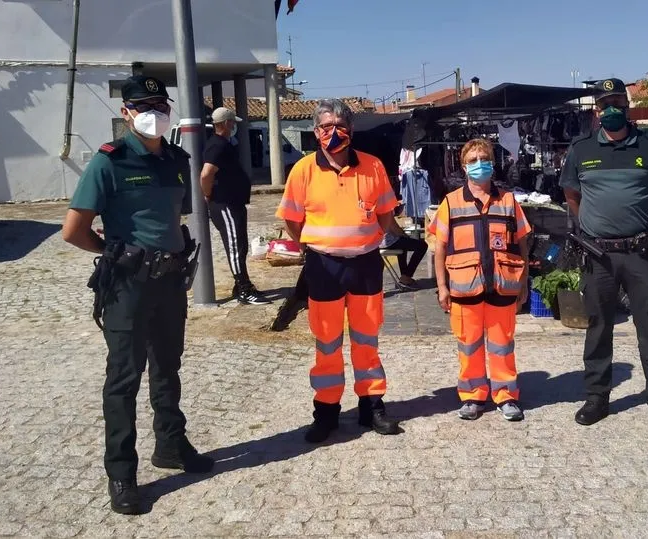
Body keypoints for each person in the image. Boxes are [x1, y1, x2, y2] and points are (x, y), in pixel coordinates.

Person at [61, 75, 214, 515]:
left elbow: (171, 218)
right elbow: (72, 231)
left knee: (168, 366)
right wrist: (113, 253)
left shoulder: (175, 159)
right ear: (126, 113)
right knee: (124, 379)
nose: (154, 112)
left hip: (169, 283)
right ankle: (122, 472)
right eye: (143, 105)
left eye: (160, 104)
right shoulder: (108, 162)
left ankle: (170, 444)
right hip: (126, 286)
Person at [558, 78, 648, 433]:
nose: (611, 110)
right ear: (596, 111)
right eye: (604, 104)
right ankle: (597, 396)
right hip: (599, 254)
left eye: (617, 103)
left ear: (627, 107)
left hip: (641, 252)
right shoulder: (581, 149)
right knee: (598, 325)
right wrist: (592, 224)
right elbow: (572, 194)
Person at [276, 99, 401, 442]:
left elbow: (387, 215)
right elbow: (291, 218)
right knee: (327, 342)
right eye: (326, 126)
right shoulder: (303, 170)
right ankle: (327, 411)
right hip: (324, 267)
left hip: (365, 265)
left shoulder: (373, 166)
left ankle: (371, 406)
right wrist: (315, 245)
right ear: (316, 132)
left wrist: (368, 234)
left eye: (340, 125)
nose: (334, 132)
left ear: (351, 129)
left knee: (366, 340)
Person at [429, 139, 532, 421]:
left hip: (501, 286)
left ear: (492, 162)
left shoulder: (508, 201)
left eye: (483, 158)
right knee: (469, 345)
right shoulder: (450, 203)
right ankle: (473, 396)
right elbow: (439, 250)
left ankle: (506, 395)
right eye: (473, 160)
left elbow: (522, 243)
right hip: (464, 289)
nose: (479, 164)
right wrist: (441, 287)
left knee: (502, 346)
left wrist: (523, 282)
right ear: (464, 167)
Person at [201, 107, 270, 305]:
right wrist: (207, 194)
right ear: (224, 123)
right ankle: (243, 289)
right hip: (224, 204)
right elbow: (206, 174)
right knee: (235, 247)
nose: (234, 126)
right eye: (232, 122)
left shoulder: (224, 144)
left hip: (233, 202)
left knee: (241, 245)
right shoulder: (217, 146)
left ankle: (241, 283)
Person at [380, 202, 429, 288]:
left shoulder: (378, 206)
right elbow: (395, 229)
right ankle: (406, 276)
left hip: (380, 242)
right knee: (422, 245)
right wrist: (405, 235)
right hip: (388, 242)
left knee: (403, 244)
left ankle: (404, 275)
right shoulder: (386, 208)